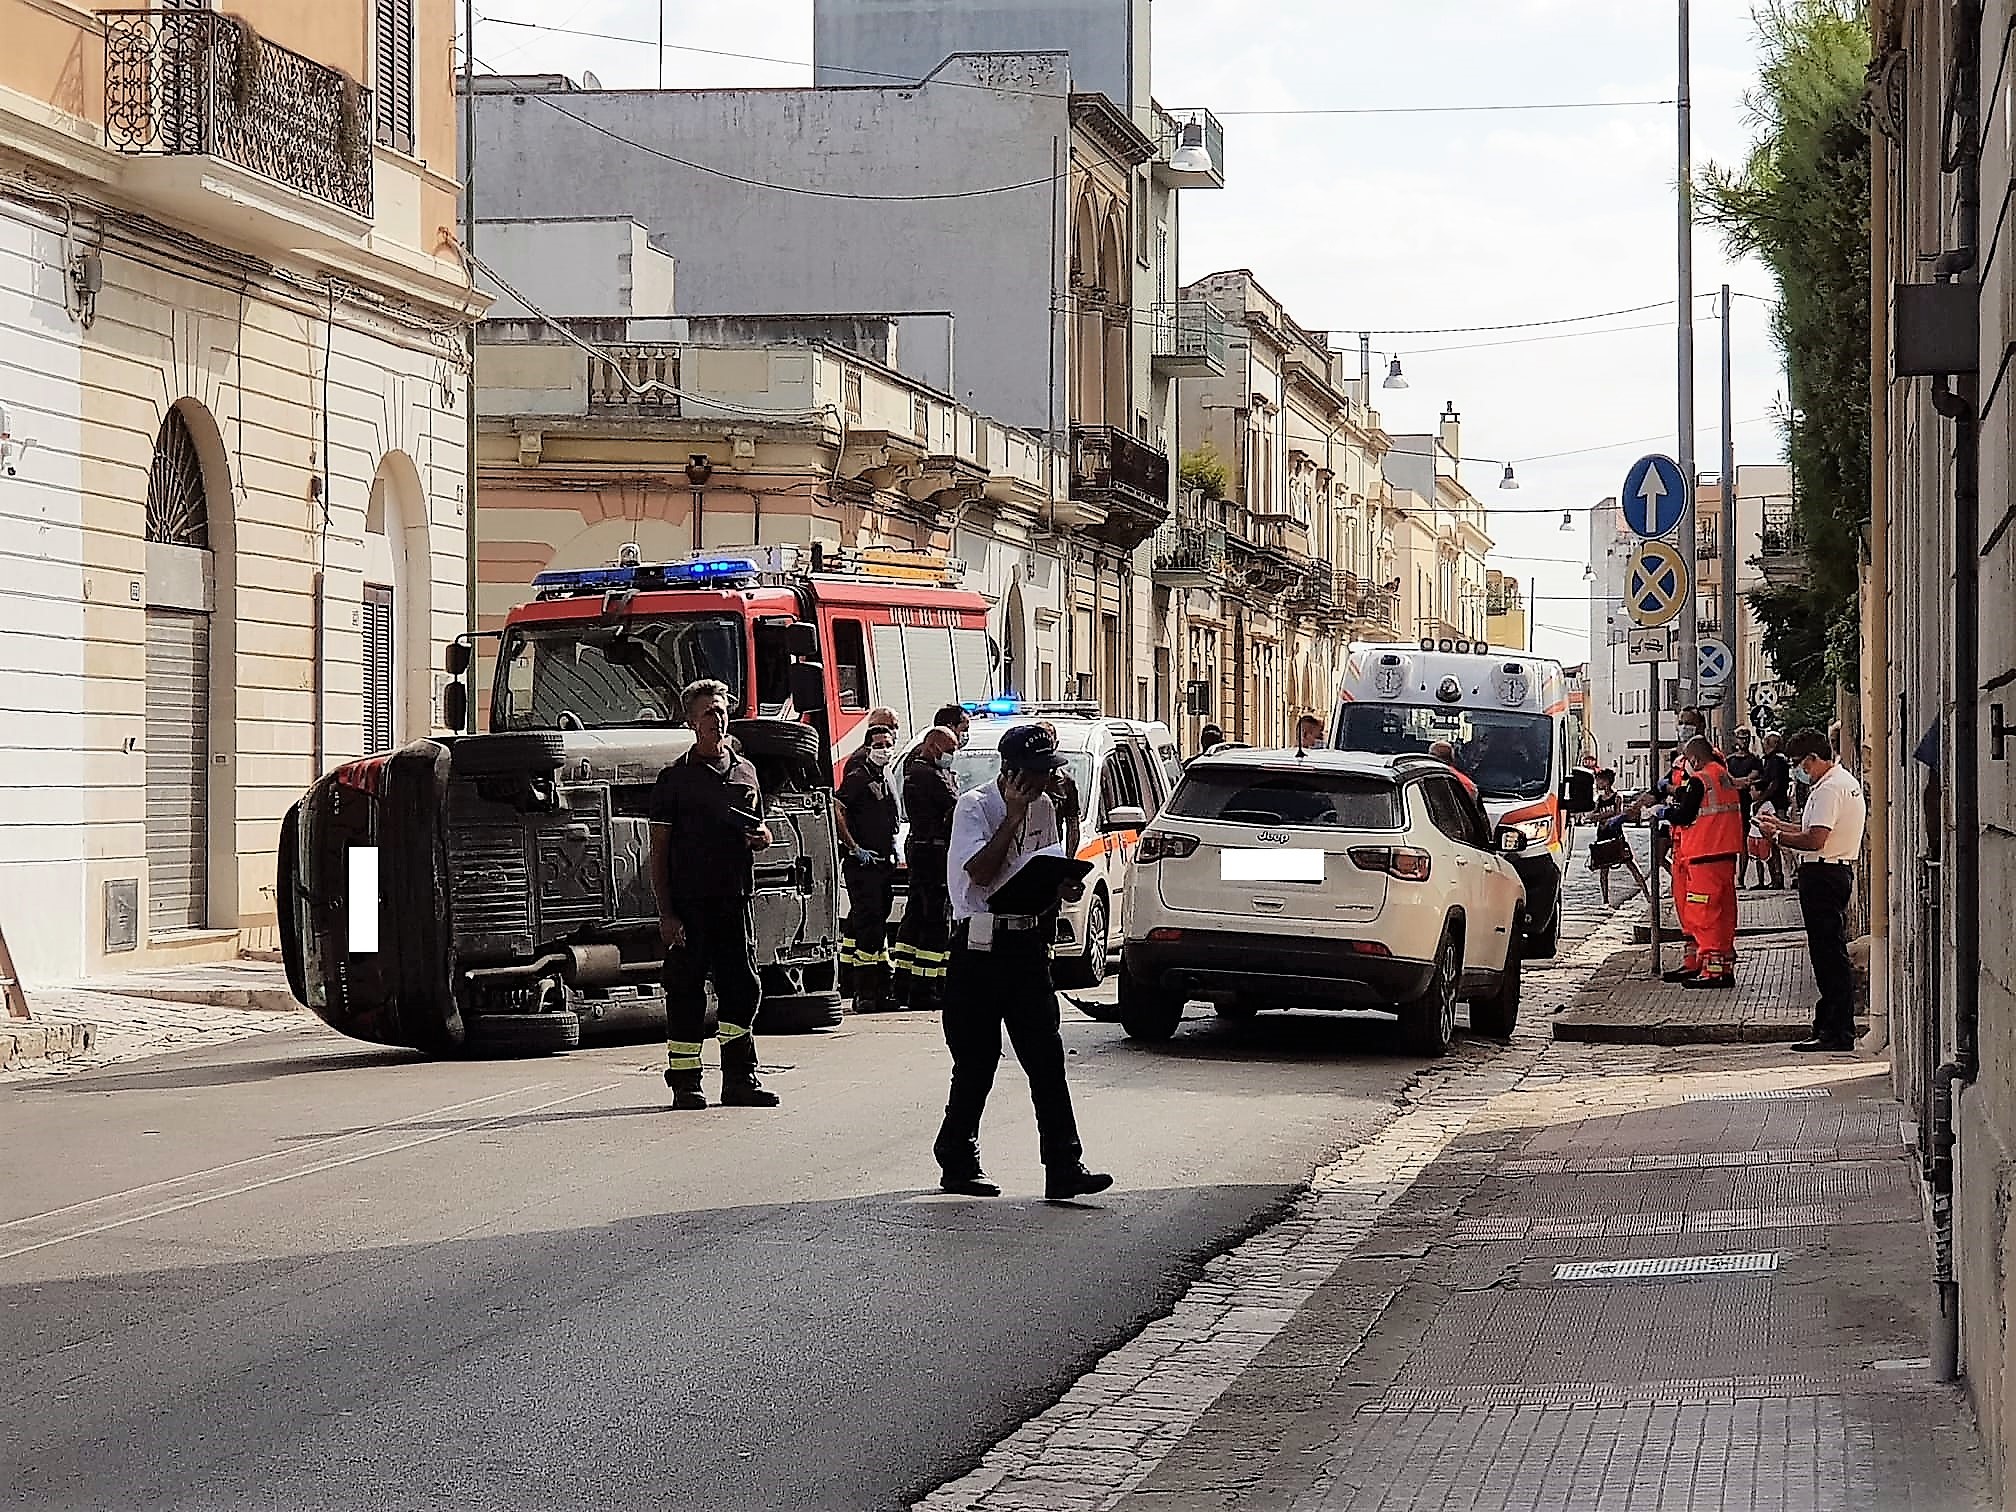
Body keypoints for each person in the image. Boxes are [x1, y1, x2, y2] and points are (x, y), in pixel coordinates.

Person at [935, 723, 1112, 1201]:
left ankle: (1064, 1165)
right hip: (980, 949)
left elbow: (1038, 871)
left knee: (1046, 1059)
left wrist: (1062, 885)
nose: (1043, 783)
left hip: (1026, 947)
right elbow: (981, 873)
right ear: (1010, 773)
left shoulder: (1047, 807)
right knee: (977, 1061)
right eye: (1034, 775)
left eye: (1047, 773)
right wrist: (1011, 817)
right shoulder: (976, 807)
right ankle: (957, 1155)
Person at [649, 678, 779, 1111]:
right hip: (689, 905)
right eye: (707, 711)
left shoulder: (746, 772)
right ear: (691, 721)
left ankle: (741, 1078)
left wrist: (761, 836)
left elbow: (759, 828)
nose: (717, 718)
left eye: (721, 710)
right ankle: (686, 1082)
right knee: (685, 991)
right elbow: (659, 852)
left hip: (734, 900)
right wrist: (667, 913)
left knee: (742, 988)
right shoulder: (674, 779)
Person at [1759, 730, 1867, 1052]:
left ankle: (1836, 1030)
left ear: (1813, 759)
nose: (1798, 771)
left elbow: (1815, 839)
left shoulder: (1829, 789)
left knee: (1827, 954)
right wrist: (1778, 826)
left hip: (1824, 872)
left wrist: (1776, 839)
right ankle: (1829, 1025)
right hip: (1830, 870)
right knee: (1827, 951)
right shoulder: (1837, 782)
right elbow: (1809, 830)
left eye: (1800, 764)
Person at [892, 724, 961, 1011]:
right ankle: (926, 987)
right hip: (933, 853)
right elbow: (956, 805)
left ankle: (905, 985)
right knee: (934, 921)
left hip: (923, 849)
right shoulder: (928, 774)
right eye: (950, 751)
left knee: (916, 918)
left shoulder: (915, 770)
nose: (953, 756)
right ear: (934, 747)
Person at [836, 718, 902, 1013]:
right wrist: (854, 848)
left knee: (874, 922)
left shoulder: (882, 774)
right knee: (869, 928)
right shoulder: (860, 775)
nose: (884, 750)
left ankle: (874, 986)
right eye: (878, 746)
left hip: (882, 862)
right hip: (864, 864)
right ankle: (866, 992)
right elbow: (837, 807)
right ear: (867, 747)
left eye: (888, 745)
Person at [1672, 736, 1744, 989]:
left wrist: (1663, 813)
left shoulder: (1701, 780)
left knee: (1704, 914)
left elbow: (1685, 814)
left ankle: (1713, 972)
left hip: (1704, 855)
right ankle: (1721, 968)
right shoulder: (1724, 776)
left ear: (1694, 758)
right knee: (1723, 914)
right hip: (1725, 854)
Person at [1587, 768, 1650, 907]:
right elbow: (1591, 816)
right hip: (1602, 836)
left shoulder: (1617, 797)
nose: (1598, 783)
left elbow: (1618, 814)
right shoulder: (1599, 799)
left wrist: (1603, 817)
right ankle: (1605, 901)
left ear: (1607, 781)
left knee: (1631, 865)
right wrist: (1603, 816)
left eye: (1600, 780)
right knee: (1603, 870)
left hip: (1616, 836)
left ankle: (1647, 894)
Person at [1724, 728, 1764, 888]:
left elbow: (1755, 775)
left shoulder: (1754, 759)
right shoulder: (1730, 760)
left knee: (1744, 843)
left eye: (1746, 738)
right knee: (1730, 844)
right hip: (1731, 805)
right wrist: (1739, 782)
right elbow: (1726, 778)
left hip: (1746, 804)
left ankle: (1740, 878)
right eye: (1741, 738)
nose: (1744, 741)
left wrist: (1740, 782)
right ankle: (1732, 877)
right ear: (1736, 739)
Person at [1037, 721, 1082, 859]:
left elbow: (1072, 824)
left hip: (1053, 851)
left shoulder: (1066, 782)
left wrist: (1068, 861)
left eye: (1048, 742)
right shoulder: (1021, 777)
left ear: (1055, 744)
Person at [1758, 732, 1792, 888]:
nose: (1764, 745)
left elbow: (1774, 783)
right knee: (1774, 842)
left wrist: (1761, 799)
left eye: (1766, 742)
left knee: (1783, 843)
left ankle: (1793, 873)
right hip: (1775, 804)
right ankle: (1777, 877)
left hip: (1777, 805)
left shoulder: (1776, 761)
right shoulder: (1773, 760)